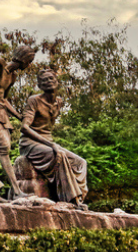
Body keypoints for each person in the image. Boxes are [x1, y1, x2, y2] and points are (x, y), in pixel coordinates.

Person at [20, 68, 90, 209]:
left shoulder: (59, 102)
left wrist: (51, 144)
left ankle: (80, 197)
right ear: (40, 85)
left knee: (80, 163)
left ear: (57, 82)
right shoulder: (34, 101)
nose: (48, 82)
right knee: (60, 155)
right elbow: (24, 128)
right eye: (44, 80)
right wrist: (52, 145)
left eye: (51, 78)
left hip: (48, 143)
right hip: (30, 144)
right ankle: (71, 200)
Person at [0, 40, 36, 198]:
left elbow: (4, 100)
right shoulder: (1, 67)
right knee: (4, 147)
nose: (29, 65)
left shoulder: (12, 77)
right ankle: (17, 191)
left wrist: (19, 116)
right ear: (24, 59)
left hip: (1, 112)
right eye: (29, 61)